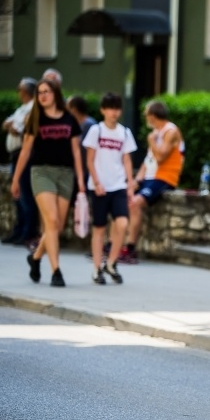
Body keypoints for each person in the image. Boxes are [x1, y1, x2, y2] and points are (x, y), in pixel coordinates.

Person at [11, 78, 85, 287]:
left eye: (47, 91)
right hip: (41, 173)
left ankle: (35, 258)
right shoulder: (35, 118)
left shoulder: (69, 119)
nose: (42, 96)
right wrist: (15, 179)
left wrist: (81, 179)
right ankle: (56, 271)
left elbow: (76, 152)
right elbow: (25, 151)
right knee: (51, 220)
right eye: (39, 92)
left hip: (65, 174)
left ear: (55, 94)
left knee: (57, 226)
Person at [82, 92, 137, 285]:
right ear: (103, 110)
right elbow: (89, 160)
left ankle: (111, 263)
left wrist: (130, 185)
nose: (114, 112)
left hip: (118, 185)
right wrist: (97, 183)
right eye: (110, 108)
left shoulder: (124, 133)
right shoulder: (96, 130)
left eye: (117, 108)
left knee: (122, 224)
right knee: (99, 228)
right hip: (100, 187)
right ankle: (97, 268)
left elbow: (127, 160)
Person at [121, 100, 184, 264]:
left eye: (146, 115)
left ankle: (130, 249)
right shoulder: (157, 132)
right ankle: (114, 245)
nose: (145, 118)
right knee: (122, 198)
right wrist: (136, 180)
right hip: (150, 177)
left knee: (135, 204)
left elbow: (161, 156)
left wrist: (151, 141)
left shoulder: (170, 131)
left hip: (164, 177)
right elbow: (148, 160)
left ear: (153, 116)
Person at [1, 77, 38, 245]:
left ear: (26, 91)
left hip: (24, 155)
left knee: (25, 195)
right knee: (17, 196)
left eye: (20, 89)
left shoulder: (33, 108)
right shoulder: (22, 109)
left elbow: (19, 130)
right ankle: (19, 230)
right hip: (15, 155)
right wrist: (12, 126)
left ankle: (28, 232)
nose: (18, 92)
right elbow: (6, 124)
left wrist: (13, 126)